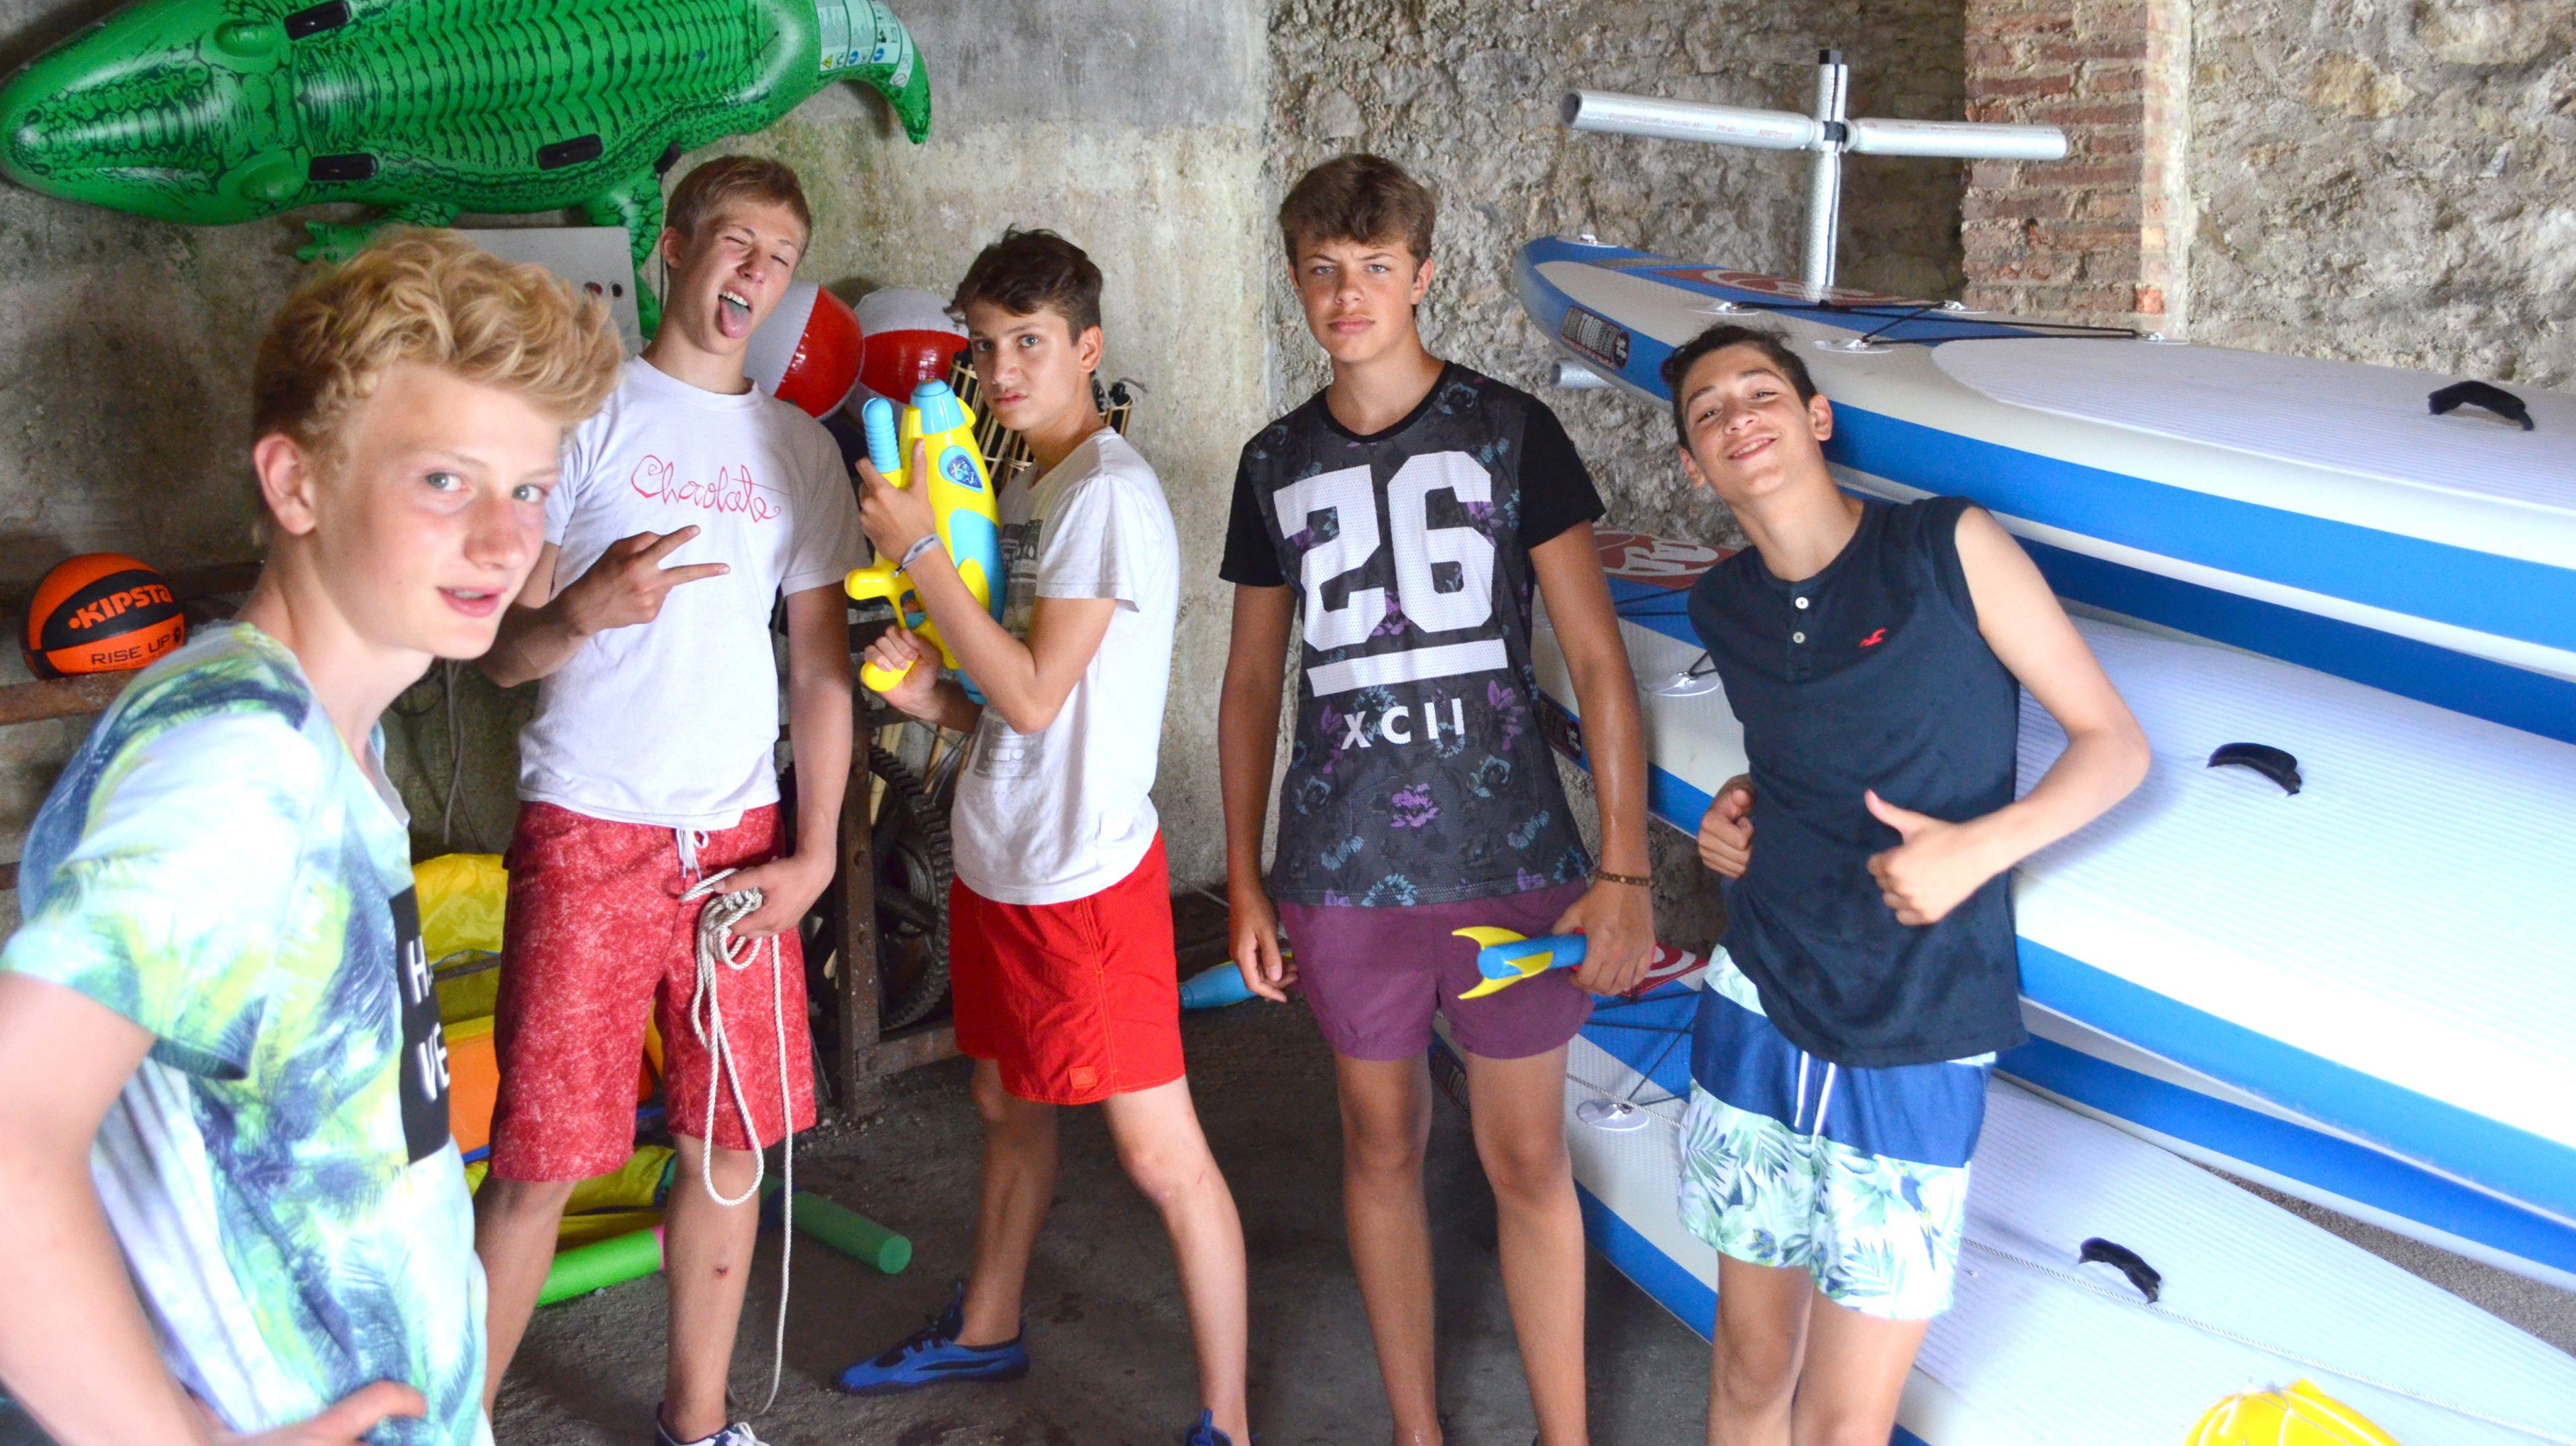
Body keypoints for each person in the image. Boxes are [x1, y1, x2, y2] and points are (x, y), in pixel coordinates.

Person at [0, 231, 621, 1446]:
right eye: (444, 481)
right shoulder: (244, 765)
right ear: (297, 486)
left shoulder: (318, 729)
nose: (507, 542)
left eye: (529, 490)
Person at [1216, 154, 1654, 1446]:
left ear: (1422, 276)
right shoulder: (1272, 460)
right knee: (1381, 1146)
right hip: (1342, 872)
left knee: (1526, 1159)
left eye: (1374, 267)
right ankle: (1419, 1430)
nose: (1346, 294)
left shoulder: (1513, 431)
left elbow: (1598, 665)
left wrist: (1623, 871)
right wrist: (1243, 879)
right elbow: (1251, 685)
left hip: (1513, 859)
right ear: (1294, 280)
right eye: (1321, 270)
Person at [1666, 323, 2150, 1446]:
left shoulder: (1945, 546)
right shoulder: (1721, 606)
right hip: (1760, 994)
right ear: (1694, 466)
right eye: (1708, 411)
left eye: (1760, 392)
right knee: (1748, 1367)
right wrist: (1739, 809)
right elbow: (1806, 753)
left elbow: (2115, 745)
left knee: (1846, 1419)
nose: (1740, 418)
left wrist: (1980, 848)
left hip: (1918, 1022)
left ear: (1816, 417)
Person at [832, 228, 1250, 1446]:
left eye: (1028, 342)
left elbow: (1029, 696)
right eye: (984, 346)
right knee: (1005, 1102)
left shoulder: (1105, 494)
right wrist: (931, 701)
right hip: (1002, 859)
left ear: (1087, 348)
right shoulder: (1031, 492)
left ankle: (1228, 1419)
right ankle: (987, 1328)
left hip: (1083, 882)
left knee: (1162, 1157)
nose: (1002, 369)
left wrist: (916, 548)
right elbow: (1016, 708)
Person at [471, 156, 864, 1446]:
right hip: (589, 829)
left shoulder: (796, 450)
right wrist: (583, 610)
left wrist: (814, 855)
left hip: (738, 845)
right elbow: (497, 655)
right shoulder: (582, 415)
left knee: (730, 1145)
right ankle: (450, 1423)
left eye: (780, 256)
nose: (757, 271)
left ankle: (698, 1421)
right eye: (737, 242)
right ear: (675, 248)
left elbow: (821, 668)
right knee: (540, 1160)